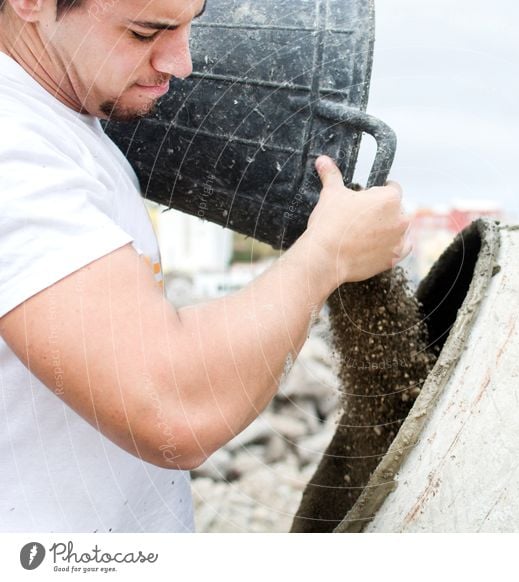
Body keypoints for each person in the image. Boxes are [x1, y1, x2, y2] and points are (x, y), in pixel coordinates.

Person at [0, 0, 410, 532]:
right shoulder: (17, 149)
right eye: (147, 32)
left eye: (192, 24)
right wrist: (328, 254)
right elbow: (170, 410)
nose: (182, 63)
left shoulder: (65, 118)